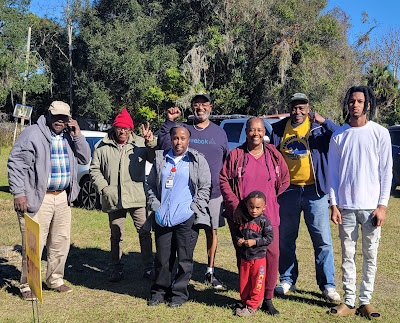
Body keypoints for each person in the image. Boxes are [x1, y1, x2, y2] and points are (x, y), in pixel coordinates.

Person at [7, 101, 91, 300]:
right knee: (33, 242)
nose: (60, 121)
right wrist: (19, 193)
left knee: (61, 241)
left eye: (64, 118)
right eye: (57, 117)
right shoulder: (32, 134)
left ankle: (55, 279)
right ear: (49, 115)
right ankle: (28, 285)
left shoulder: (70, 136)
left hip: (62, 197)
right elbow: (16, 164)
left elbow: (85, 158)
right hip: (38, 197)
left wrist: (77, 134)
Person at [328, 86, 392, 319]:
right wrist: (333, 204)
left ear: (367, 105)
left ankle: (365, 300)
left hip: (372, 208)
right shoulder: (339, 136)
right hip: (345, 207)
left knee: (370, 255)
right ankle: (349, 300)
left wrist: (382, 205)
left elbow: (387, 172)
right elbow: (332, 174)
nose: (355, 105)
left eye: (360, 101)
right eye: (351, 101)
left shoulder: (380, 133)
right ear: (347, 105)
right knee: (347, 255)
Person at [271, 92, 341, 302]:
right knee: (286, 238)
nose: (298, 111)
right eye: (294, 107)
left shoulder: (319, 128)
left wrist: (325, 121)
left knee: (322, 241)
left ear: (309, 108)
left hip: (315, 191)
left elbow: (342, 136)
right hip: (288, 190)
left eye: (302, 107)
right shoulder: (279, 128)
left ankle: (327, 285)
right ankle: (287, 279)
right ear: (290, 108)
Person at [157, 92, 229, 288]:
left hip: (213, 193)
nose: (200, 108)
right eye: (196, 105)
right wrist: (168, 122)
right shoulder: (184, 129)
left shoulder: (219, 132)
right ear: (192, 108)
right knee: (185, 234)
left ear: (210, 107)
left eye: (204, 104)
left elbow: (226, 161)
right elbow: (163, 145)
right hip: (186, 194)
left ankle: (210, 272)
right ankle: (180, 273)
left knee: (211, 232)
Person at [220, 117, 290, 315]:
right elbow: (224, 179)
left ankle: (267, 298)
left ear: (264, 132)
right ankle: (247, 297)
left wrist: (271, 199)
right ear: (246, 132)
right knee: (245, 257)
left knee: (271, 254)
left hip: (268, 216)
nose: (256, 133)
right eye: (252, 130)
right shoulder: (236, 155)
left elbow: (285, 179)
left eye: (259, 129)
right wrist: (236, 206)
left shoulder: (274, 155)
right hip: (242, 217)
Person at [147, 125, 211, 307]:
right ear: (171, 139)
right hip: (163, 217)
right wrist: (156, 206)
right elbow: (151, 184)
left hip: (186, 217)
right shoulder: (162, 159)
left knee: (184, 258)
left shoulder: (197, 160)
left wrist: (193, 207)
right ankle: (159, 291)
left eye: (183, 138)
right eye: (176, 138)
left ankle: (179, 294)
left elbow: (205, 186)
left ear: (188, 140)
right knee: (162, 258)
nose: (179, 142)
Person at [90, 109, 156, 282]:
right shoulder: (101, 146)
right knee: (116, 235)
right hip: (113, 198)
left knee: (144, 232)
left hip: (136, 197)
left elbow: (154, 157)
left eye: (126, 129)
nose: (123, 132)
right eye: (120, 128)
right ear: (114, 128)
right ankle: (116, 269)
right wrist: (104, 188)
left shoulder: (140, 143)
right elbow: (94, 169)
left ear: (131, 130)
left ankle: (149, 268)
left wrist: (151, 143)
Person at [235, 191, 274, 317]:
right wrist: (239, 240)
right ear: (246, 205)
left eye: (258, 208)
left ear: (264, 207)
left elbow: (269, 238)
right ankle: (244, 302)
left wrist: (255, 242)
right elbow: (237, 232)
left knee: (257, 282)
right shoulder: (243, 219)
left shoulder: (264, 222)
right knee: (244, 282)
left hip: (259, 258)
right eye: (251, 207)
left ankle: (252, 306)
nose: (254, 210)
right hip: (245, 257)